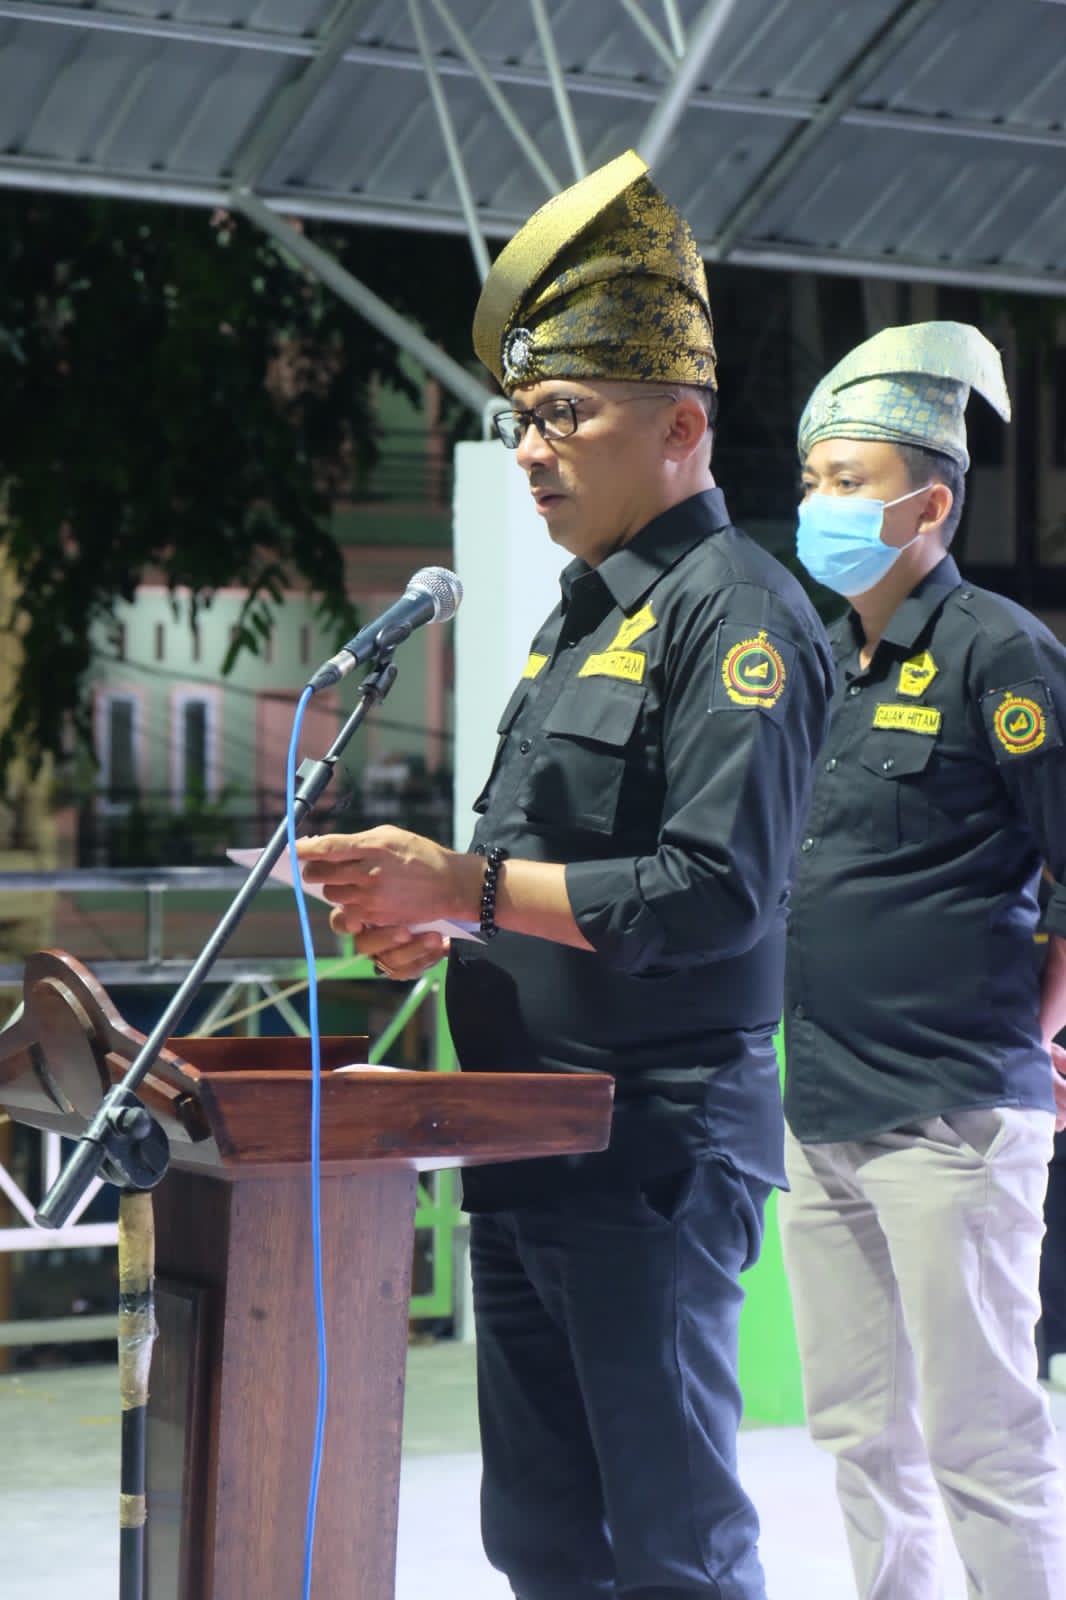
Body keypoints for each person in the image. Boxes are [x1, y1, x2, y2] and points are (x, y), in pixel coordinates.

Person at [297, 149, 833, 1600]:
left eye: (563, 415)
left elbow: (713, 894)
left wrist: (463, 889)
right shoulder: (579, 617)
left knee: (670, 1539)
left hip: (652, 1141)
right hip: (527, 1125)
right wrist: (439, 930)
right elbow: (535, 866)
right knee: (538, 1534)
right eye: (519, 417)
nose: (530, 450)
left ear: (679, 425)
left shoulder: (737, 616)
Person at [780, 320, 1066, 1599]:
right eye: (811, 481)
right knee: (858, 1439)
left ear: (927, 501)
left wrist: (1036, 1037)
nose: (817, 505)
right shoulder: (814, 660)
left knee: (980, 1441)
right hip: (819, 1112)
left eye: (844, 482)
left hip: (951, 1118)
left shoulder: (998, 651)